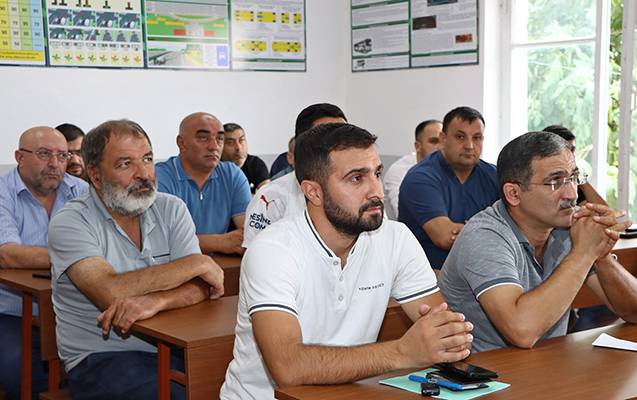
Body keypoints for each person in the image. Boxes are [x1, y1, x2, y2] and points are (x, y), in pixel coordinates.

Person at [221, 123, 473, 400]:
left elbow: (446, 335)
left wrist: (449, 337)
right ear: (313, 192)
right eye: (356, 178)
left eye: (377, 173)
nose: (376, 191)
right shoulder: (273, 250)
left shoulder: (395, 238)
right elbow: (288, 367)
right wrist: (402, 352)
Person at [48, 119, 225, 399]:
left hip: (175, 345)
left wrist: (158, 300)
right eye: (125, 164)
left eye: (148, 159)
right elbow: (110, 292)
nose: (143, 174)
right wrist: (196, 263)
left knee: (235, 384)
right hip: (102, 356)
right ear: (95, 175)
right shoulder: (70, 221)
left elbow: (203, 285)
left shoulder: (171, 208)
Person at [439, 131, 637, 352]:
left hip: (547, 362)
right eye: (555, 182)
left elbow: (633, 312)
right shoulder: (484, 236)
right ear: (514, 194)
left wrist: (601, 255)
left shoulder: (568, 228)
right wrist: (584, 253)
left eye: (573, 178)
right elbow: (522, 331)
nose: (572, 194)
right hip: (483, 369)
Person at [0, 126, 87, 399]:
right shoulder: (3, 193)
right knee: (21, 371)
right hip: (12, 312)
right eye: (44, 154)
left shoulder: (81, 190)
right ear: (19, 157)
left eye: (62, 155)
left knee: (107, 369)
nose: (55, 163)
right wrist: (80, 258)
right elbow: (8, 254)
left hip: (75, 310)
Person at [399, 106, 499, 270]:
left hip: (484, 272)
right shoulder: (420, 178)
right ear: (443, 138)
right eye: (460, 137)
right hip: (430, 276)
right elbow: (445, 238)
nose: (470, 146)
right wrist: (494, 232)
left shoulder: (494, 176)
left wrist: (469, 231)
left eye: (477, 138)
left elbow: (519, 228)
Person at [242, 103, 347, 248]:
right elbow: (255, 254)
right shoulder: (271, 197)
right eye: (328, 138)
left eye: (344, 137)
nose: (339, 145)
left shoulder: (361, 192)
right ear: (303, 145)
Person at [156, 112, 251, 255]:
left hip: (219, 264)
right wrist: (219, 242)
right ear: (181, 143)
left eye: (220, 138)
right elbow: (161, 242)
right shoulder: (160, 177)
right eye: (203, 138)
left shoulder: (232, 175)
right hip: (174, 265)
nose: (214, 146)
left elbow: (249, 233)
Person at [384, 120, 442, 219]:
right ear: (418, 146)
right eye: (434, 141)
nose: (440, 147)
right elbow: (403, 215)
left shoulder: (449, 168)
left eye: (443, 141)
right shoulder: (399, 171)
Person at [543, 125, 606, 206]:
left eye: (572, 150)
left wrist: (580, 178)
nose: (572, 156)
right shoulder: (542, 179)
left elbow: (603, 210)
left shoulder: (573, 181)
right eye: (567, 150)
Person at [221, 122, 270, 193]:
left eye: (241, 140)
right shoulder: (213, 167)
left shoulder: (255, 164)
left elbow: (267, 195)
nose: (238, 147)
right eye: (230, 143)